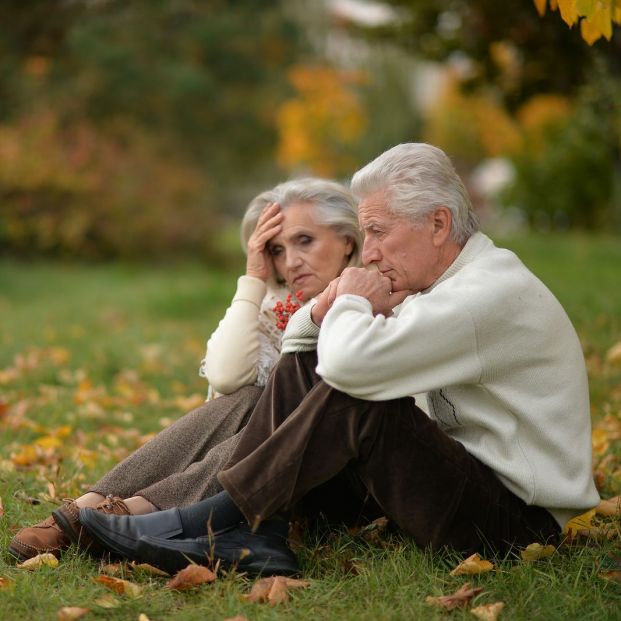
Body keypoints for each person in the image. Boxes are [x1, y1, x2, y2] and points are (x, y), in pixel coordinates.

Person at [73, 143, 600, 578]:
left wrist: (345, 296)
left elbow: (348, 369)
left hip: (512, 524)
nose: (368, 252)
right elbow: (309, 355)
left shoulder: (483, 295)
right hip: (459, 481)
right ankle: (248, 529)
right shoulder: (445, 283)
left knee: (358, 394)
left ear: (438, 224)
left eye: (377, 231)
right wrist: (326, 306)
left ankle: (215, 523)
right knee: (302, 370)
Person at [8, 177, 362, 562]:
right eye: (277, 250)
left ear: (347, 241)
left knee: (277, 397)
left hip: (338, 479)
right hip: (271, 481)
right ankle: (86, 509)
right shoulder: (280, 306)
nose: (290, 262)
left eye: (305, 241)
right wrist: (254, 279)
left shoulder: (377, 299)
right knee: (247, 396)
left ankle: (135, 514)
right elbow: (226, 377)